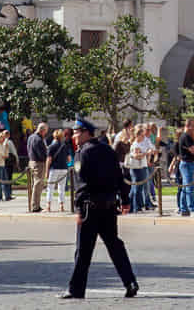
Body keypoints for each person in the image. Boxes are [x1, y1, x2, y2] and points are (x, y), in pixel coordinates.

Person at [62, 119, 138, 301]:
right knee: (115, 246)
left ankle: (75, 290)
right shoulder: (107, 150)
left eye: (76, 132)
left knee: (83, 251)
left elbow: (82, 183)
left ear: (87, 133)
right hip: (109, 206)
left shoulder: (83, 153)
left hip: (90, 207)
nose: (74, 136)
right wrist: (125, 200)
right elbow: (120, 177)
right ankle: (130, 282)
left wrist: (79, 209)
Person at [173, 123, 194, 217]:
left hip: (188, 163)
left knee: (185, 187)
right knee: (189, 187)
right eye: (193, 127)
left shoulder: (186, 136)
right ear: (188, 126)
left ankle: (183, 209)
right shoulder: (186, 136)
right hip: (186, 163)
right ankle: (192, 208)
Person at [28, 122, 52, 212]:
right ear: (43, 130)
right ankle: (35, 206)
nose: (46, 133)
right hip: (38, 163)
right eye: (46, 131)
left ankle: (34, 205)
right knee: (38, 185)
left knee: (35, 184)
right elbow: (41, 154)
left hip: (32, 161)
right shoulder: (38, 139)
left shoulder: (31, 137)